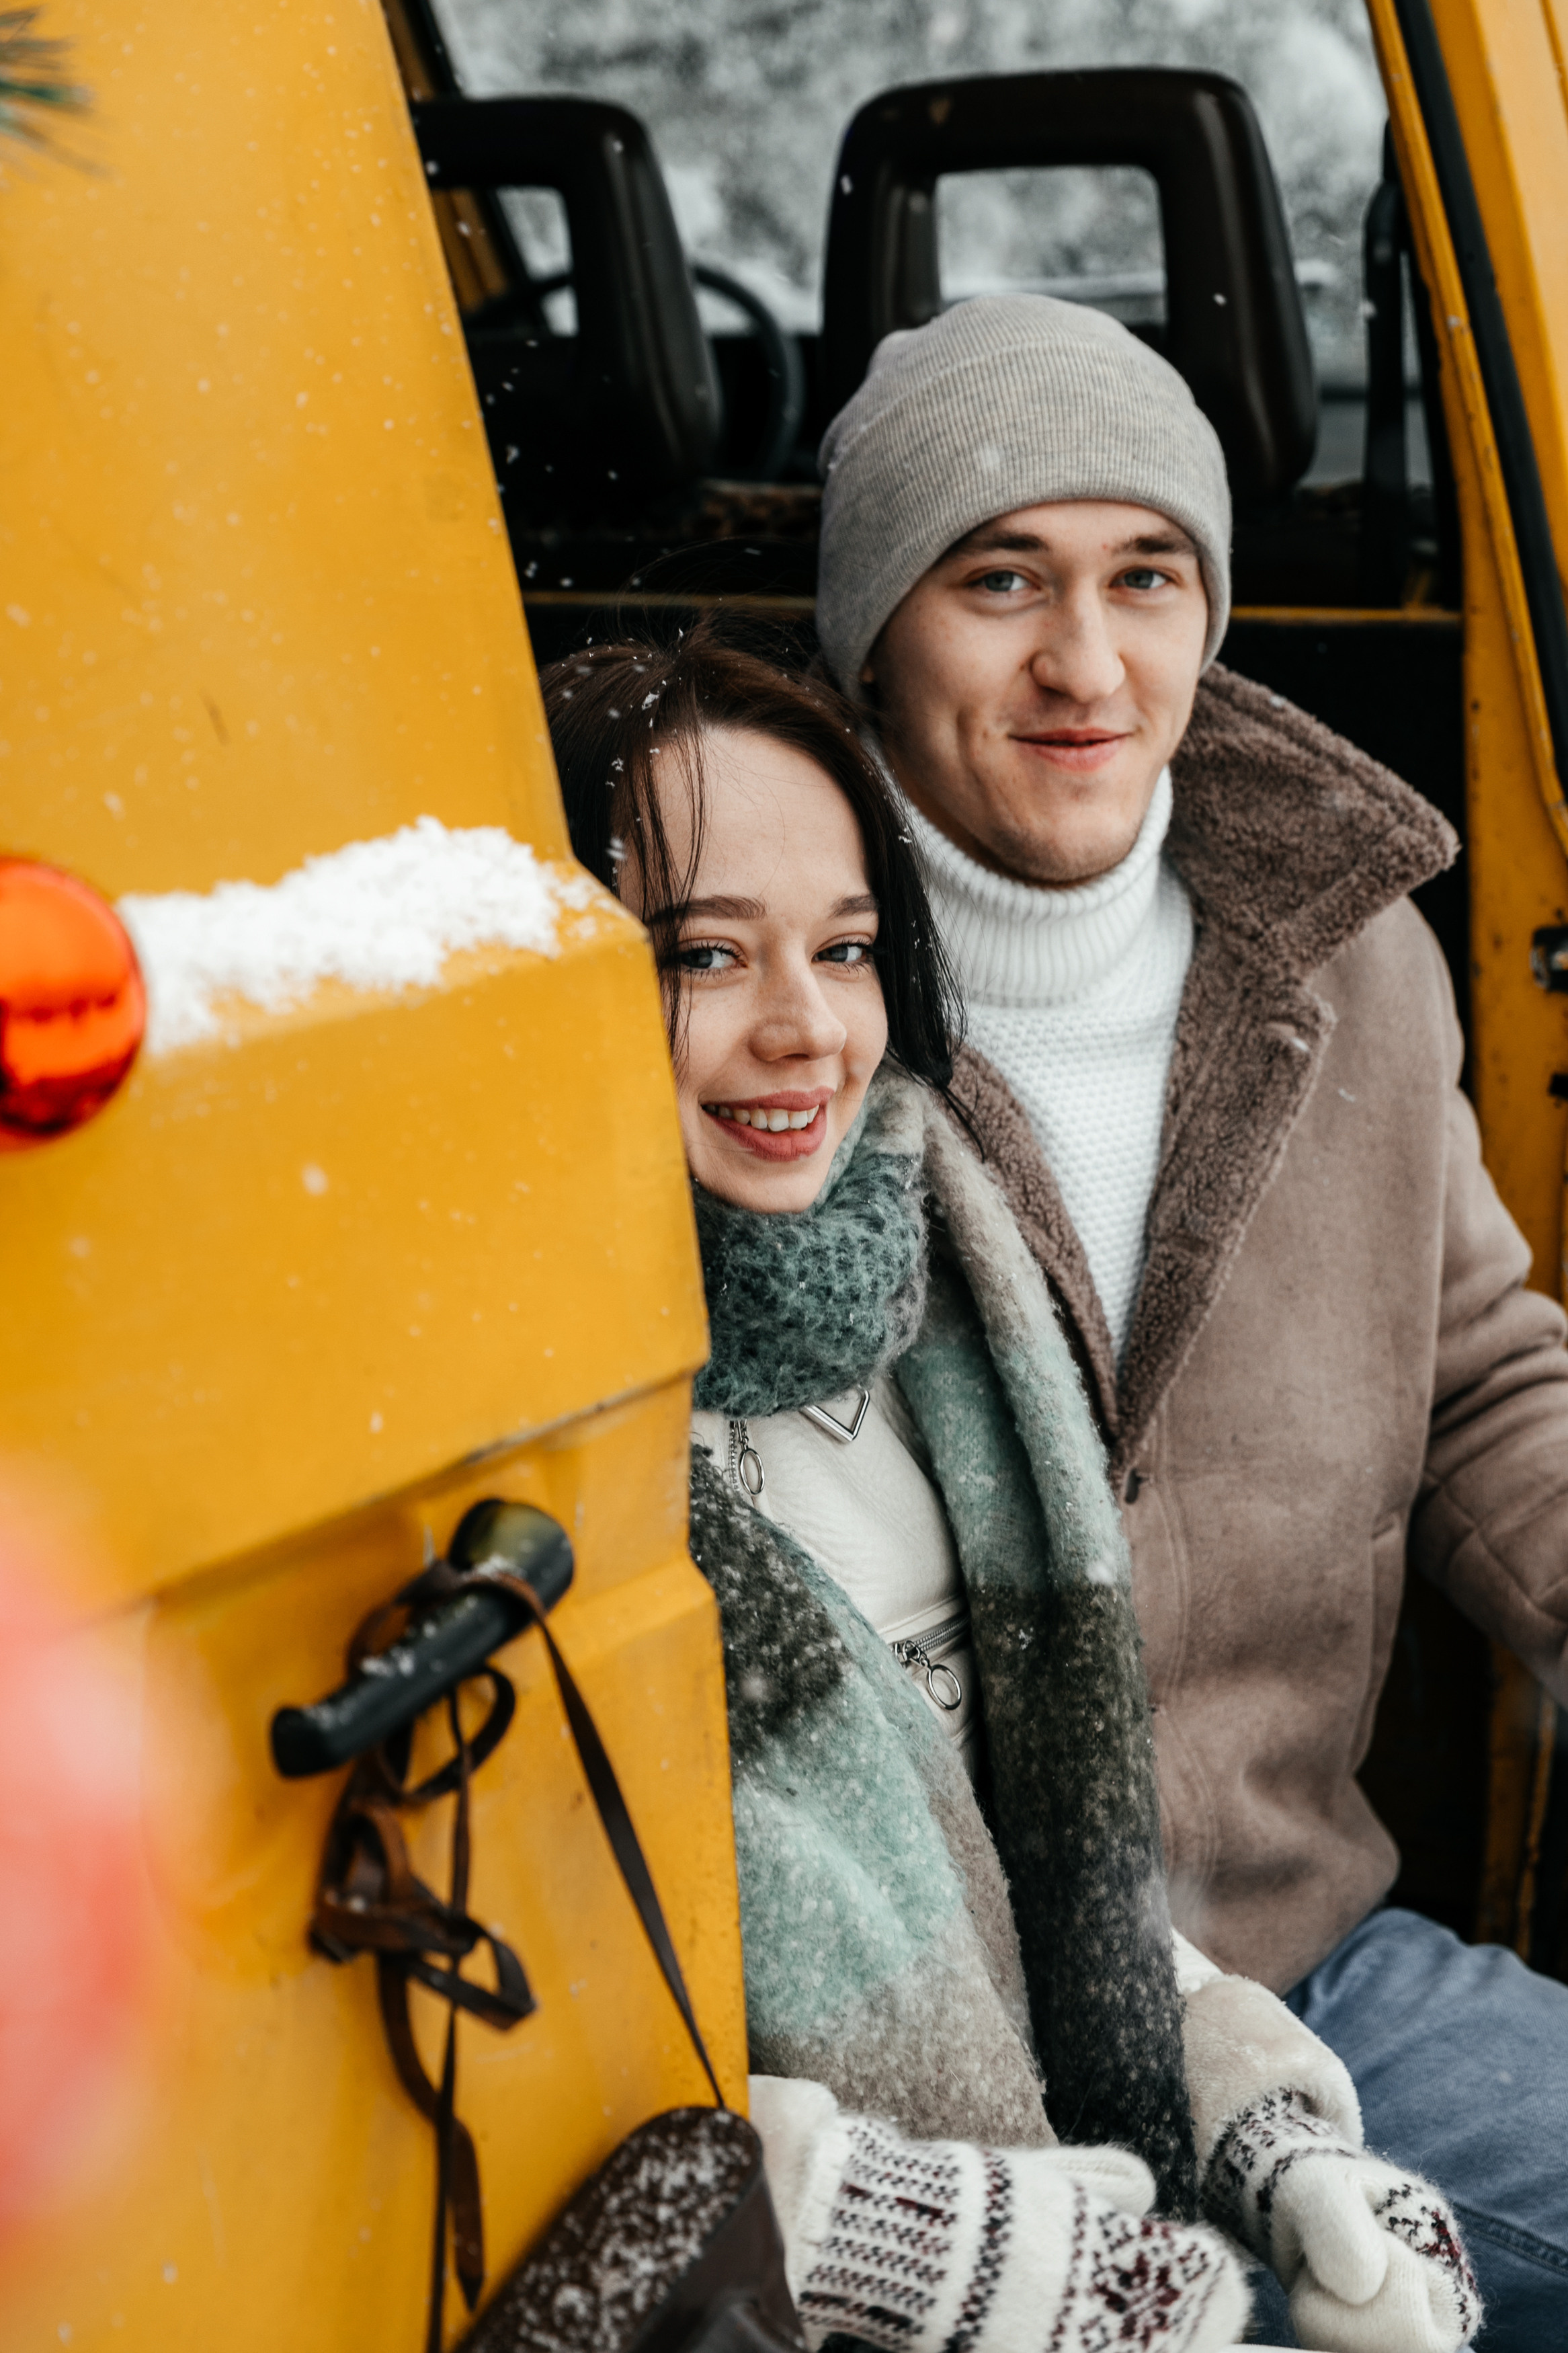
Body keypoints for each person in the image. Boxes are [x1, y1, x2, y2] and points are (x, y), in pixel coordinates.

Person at [542, 625, 1481, 2353]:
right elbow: (536, 2091)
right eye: (700, 954)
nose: (803, 1029)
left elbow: (1045, 1886)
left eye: (843, 946)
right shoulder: (528, 1434)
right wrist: (965, 2252)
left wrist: (1274, 2133)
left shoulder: (945, 1307)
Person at [811, 292, 1568, 2348]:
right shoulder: (754, 994)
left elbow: (1484, 1370)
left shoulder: (1358, 967)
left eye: (1144, 577)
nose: (1084, 663)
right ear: (873, 624)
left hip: (1303, 1957)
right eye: (997, 582)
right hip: (911, 2042)